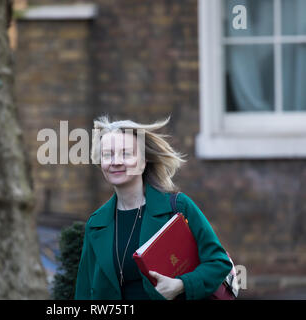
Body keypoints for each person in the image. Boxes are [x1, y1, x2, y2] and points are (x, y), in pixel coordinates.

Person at [74, 115, 233, 300]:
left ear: (143, 161)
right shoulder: (96, 223)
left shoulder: (178, 207)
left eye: (126, 153)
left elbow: (219, 263)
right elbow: (84, 291)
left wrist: (181, 285)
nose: (115, 161)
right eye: (107, 155)